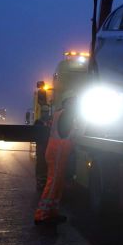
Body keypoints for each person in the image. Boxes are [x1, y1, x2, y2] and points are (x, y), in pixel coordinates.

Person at [34, 95, 78, 225]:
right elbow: (66, 135)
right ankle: (41, 215)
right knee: (53, 184)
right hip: (57, 152)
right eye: (72, 102)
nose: (74, 104)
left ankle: (52, 212)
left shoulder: (62, 114)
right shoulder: (66, 115)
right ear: (66, 103)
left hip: (59, 152)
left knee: (58, 184)